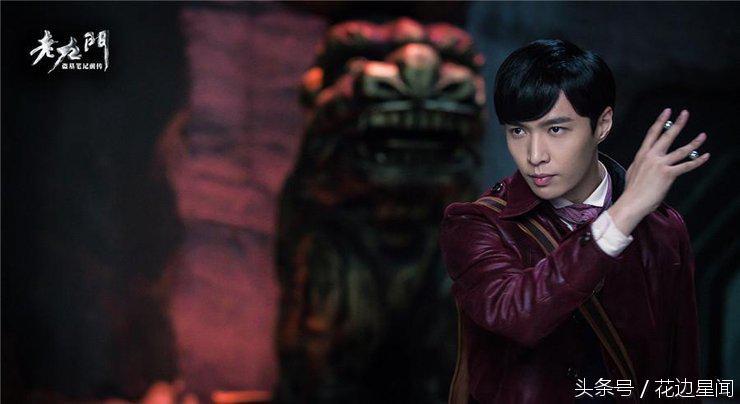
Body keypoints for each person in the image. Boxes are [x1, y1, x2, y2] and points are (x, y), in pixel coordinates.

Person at [439, 39, 708, 403]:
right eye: (518, 131)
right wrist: (622, 214)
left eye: (555, 129)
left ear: (602, 124)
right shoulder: (477, 222)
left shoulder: (663, 229)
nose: (535, 156)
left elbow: (680, 371)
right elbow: (516, 315)